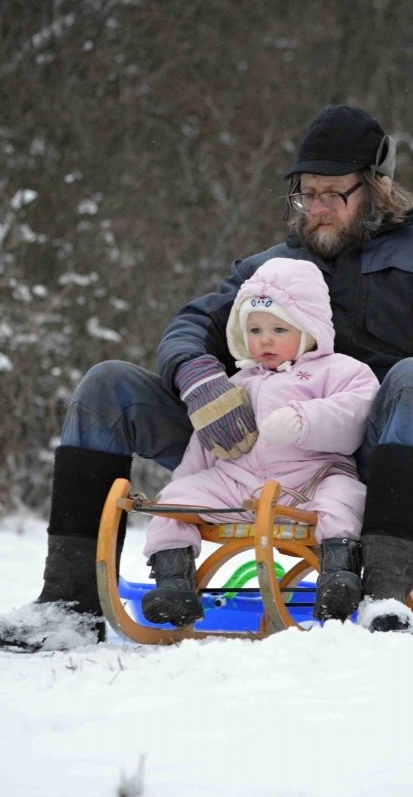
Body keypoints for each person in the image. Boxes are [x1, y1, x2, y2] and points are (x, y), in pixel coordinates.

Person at [0, 104, 413, 649]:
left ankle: (384, 599)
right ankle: (68, 607)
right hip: (253, 451)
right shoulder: (271, 271)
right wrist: (199, 375)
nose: (318, 209)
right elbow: (190, 326)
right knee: (106, 388)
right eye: (307, 193)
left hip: (383, 461)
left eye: (335, 195)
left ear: (378, 188)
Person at [139, 257, 379, 626]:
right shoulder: (238, 383)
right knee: (175, 501)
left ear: (309, 329)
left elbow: (356, 415)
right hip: (239, 486)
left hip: (310, 480)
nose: (265, 340)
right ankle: (174, 584)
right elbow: (206, 444)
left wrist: (304, 420)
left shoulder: (341, 371)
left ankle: (338, 577)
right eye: (254, 329)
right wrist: (184, 483)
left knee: (345, 497)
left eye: (279, 330)